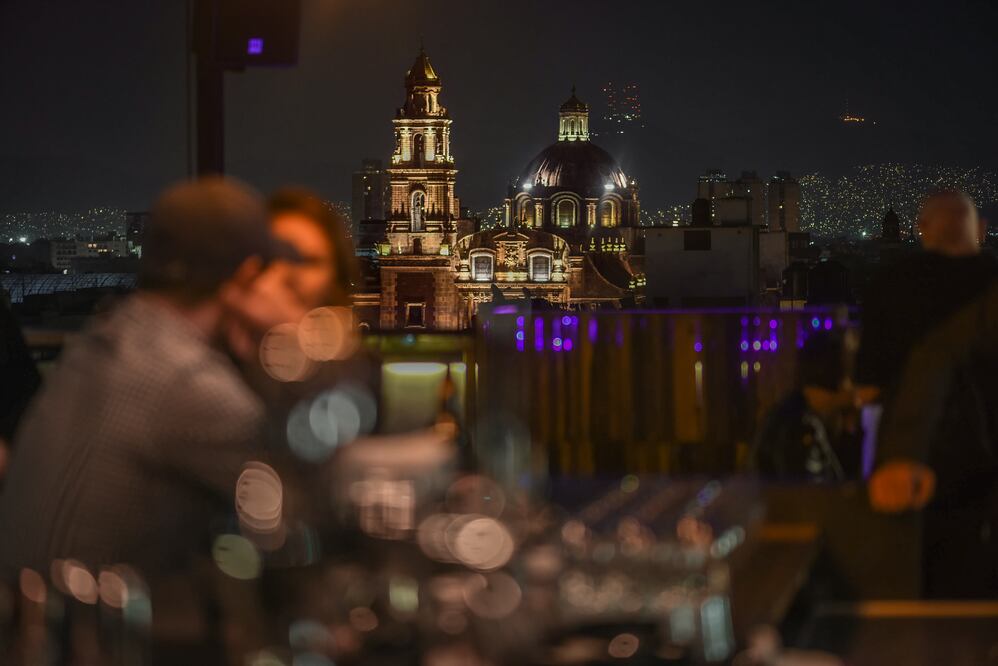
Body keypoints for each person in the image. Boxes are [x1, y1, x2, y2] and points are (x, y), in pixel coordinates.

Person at [0, 177, 304, 576]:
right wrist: (293, 333)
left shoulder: (105, 339)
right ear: (246, 278)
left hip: (32, 605)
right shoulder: (187, 380)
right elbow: (301, 516)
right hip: (90, 613)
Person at [855, 189, 996, 403]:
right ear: (979, 228)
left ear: (922, 228)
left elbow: (869, 386)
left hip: (912, 414)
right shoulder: (991, 280)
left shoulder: (890, 283)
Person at [752, 330, 862, 481]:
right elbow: (826, 489)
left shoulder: (790, 413)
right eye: (848, 373)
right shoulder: (804, 426)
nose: (854, 388)